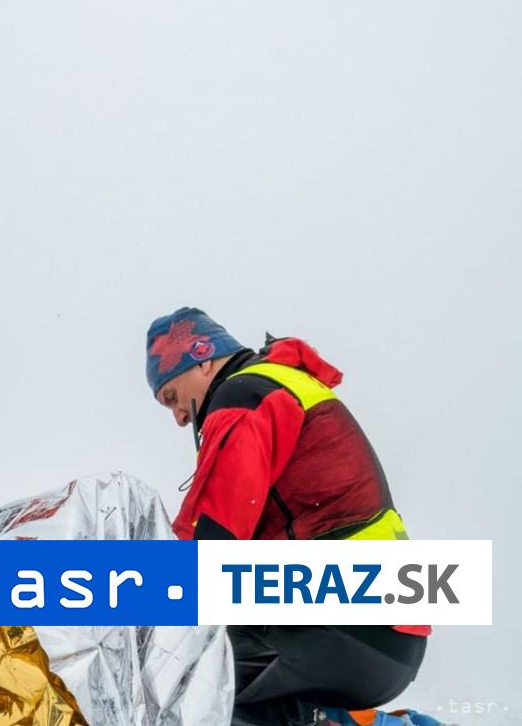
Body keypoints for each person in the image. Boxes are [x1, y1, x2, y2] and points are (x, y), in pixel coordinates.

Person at [145, 307, 429, 726]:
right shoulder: (282, 384)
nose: (178, 417)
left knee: (185, 675)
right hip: (383, 633)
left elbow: (212, 539)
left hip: (348, 621)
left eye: (171, 397)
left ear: (202, 359)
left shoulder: (244, 398)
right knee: (220, 676)